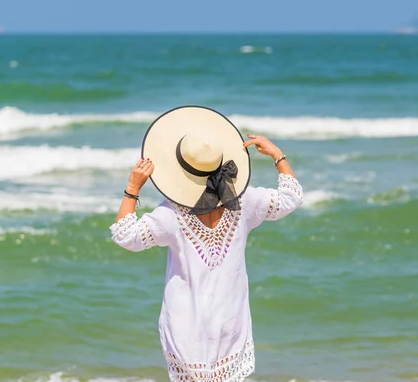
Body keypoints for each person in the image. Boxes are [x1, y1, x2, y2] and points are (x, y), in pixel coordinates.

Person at [110, 106, 303, 382]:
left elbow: (125, 235)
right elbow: (291, 197)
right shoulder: (245, 202)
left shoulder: (173, 214)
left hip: (185, 328)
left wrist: (133, 187)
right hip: (230, 323)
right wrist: (277, 155)